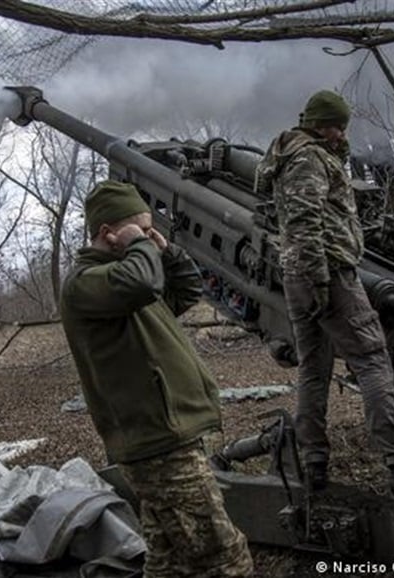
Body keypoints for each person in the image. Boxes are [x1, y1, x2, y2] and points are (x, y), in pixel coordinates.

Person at [59, 180, 253, 577]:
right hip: (156, 439)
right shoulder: (86, 282)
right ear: (107, 232)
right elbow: (142, 283)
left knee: (169, 559)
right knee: (225, 557)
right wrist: (139, 247)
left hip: (164, 433)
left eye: (149, 231)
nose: (147, 238)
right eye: (137, 230)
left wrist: (169, 252)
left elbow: (184, 293)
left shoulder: (126, 280)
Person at [255, 90, 394, 494]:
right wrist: (321, 281)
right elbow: (306, 223)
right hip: (328, 274)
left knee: (314, 367)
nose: (343, 134)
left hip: (301, 275)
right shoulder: (308, 158)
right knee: (373, 359)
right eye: (338, 126)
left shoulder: (295, 154)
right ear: (321, 124)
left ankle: (314, 461)